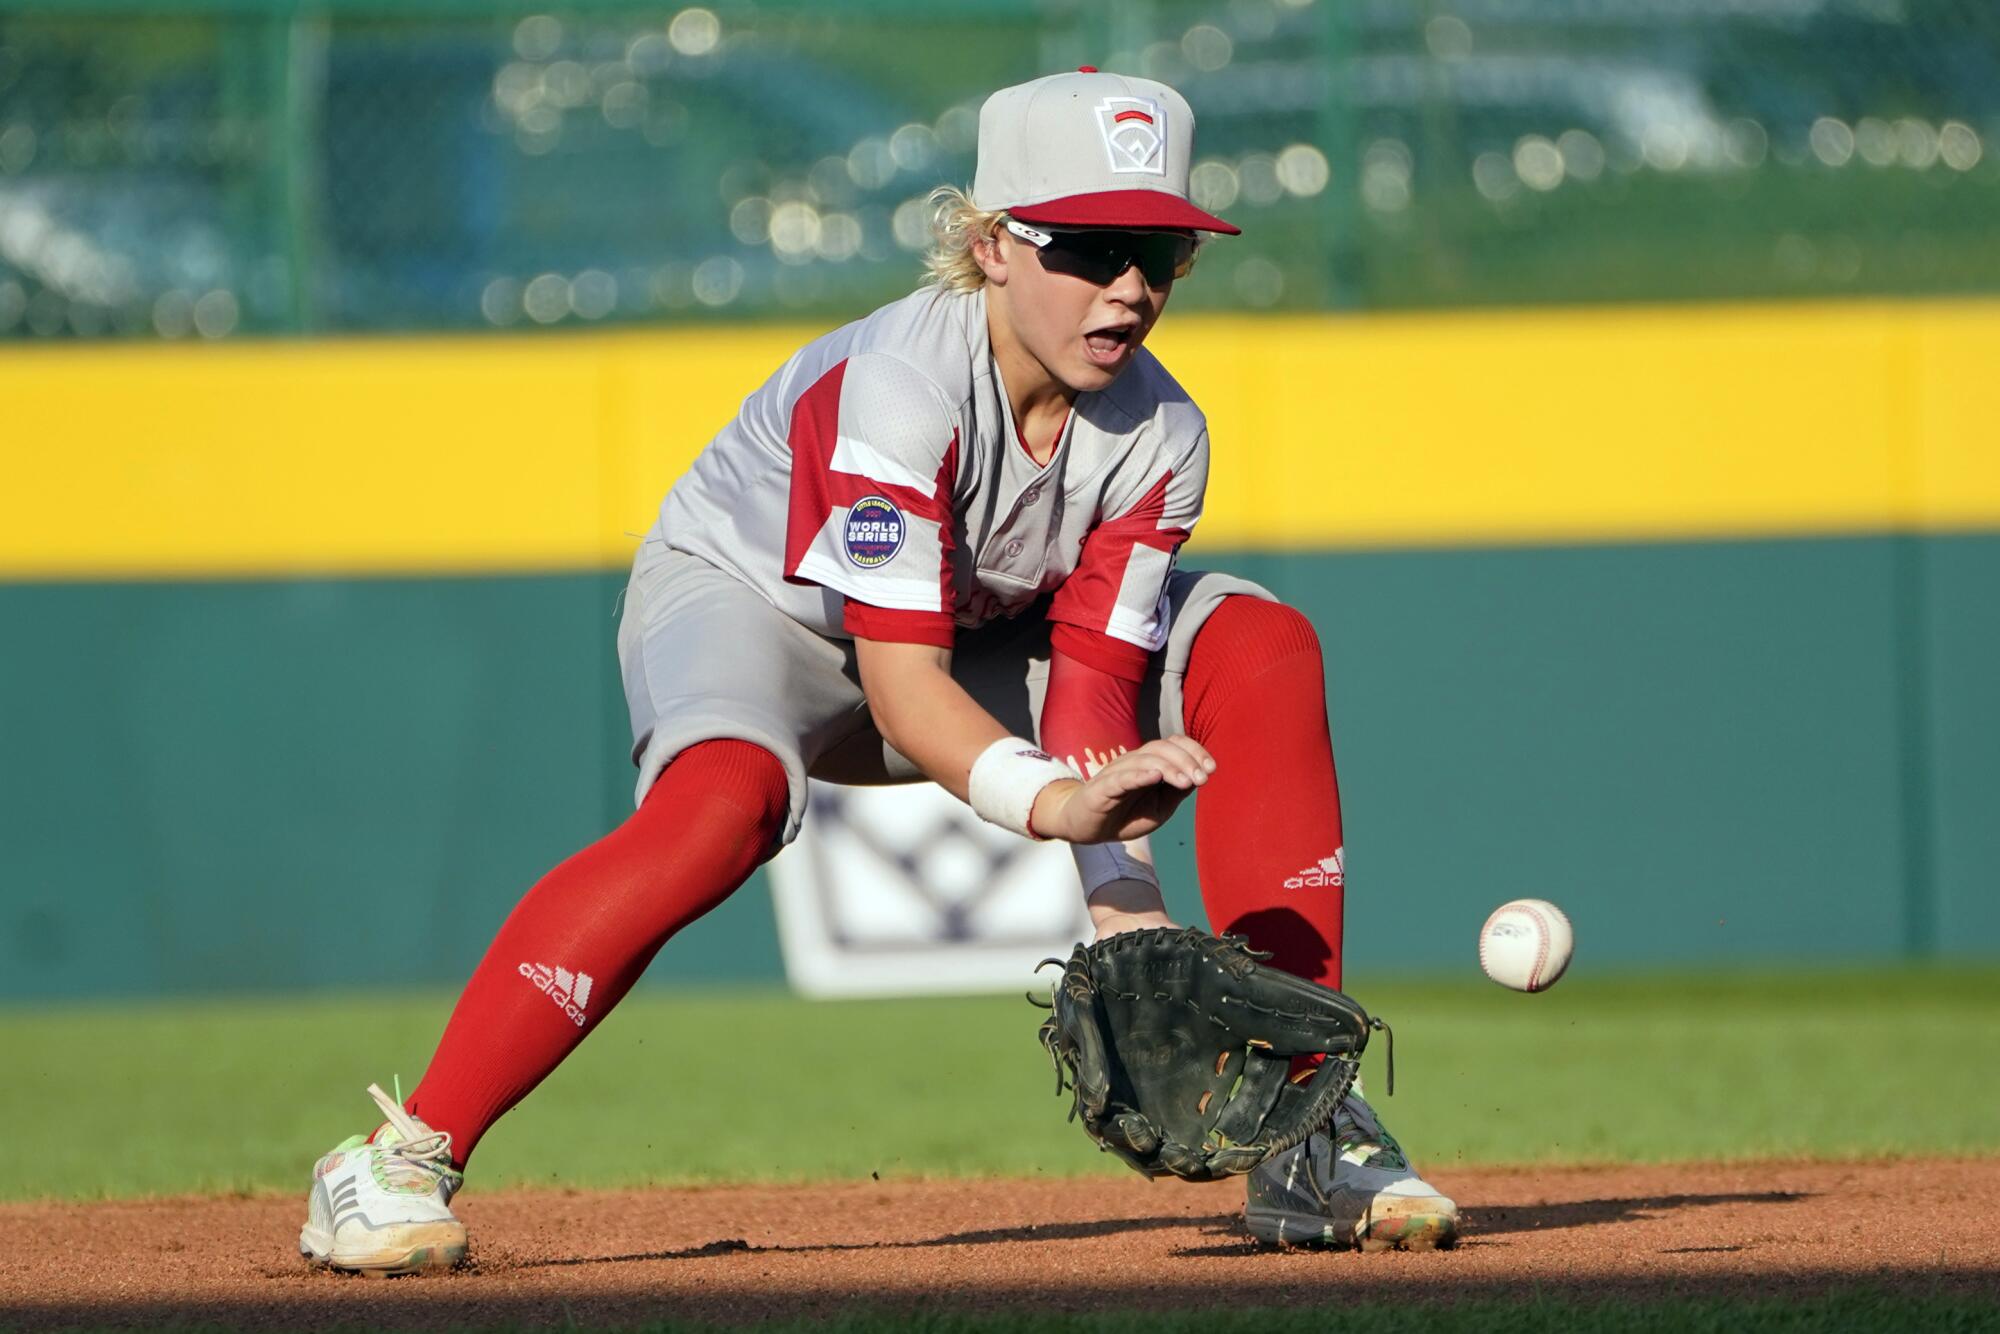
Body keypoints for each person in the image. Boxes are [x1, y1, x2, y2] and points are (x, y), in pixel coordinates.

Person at [298, 68, 1459, 1275]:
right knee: (723, 804)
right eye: (1092, 244)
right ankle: (397, 1155)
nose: (1128, 285)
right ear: (989, 245)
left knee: (1258, 644)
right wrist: (1054, 801)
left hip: (974, 638)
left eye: (1159, 252)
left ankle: (1310, 1129)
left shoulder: (1159, 434)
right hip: (758, 609)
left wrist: (1127, 917)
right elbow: (900, 692)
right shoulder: (900, 387)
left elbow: (1092, 685)